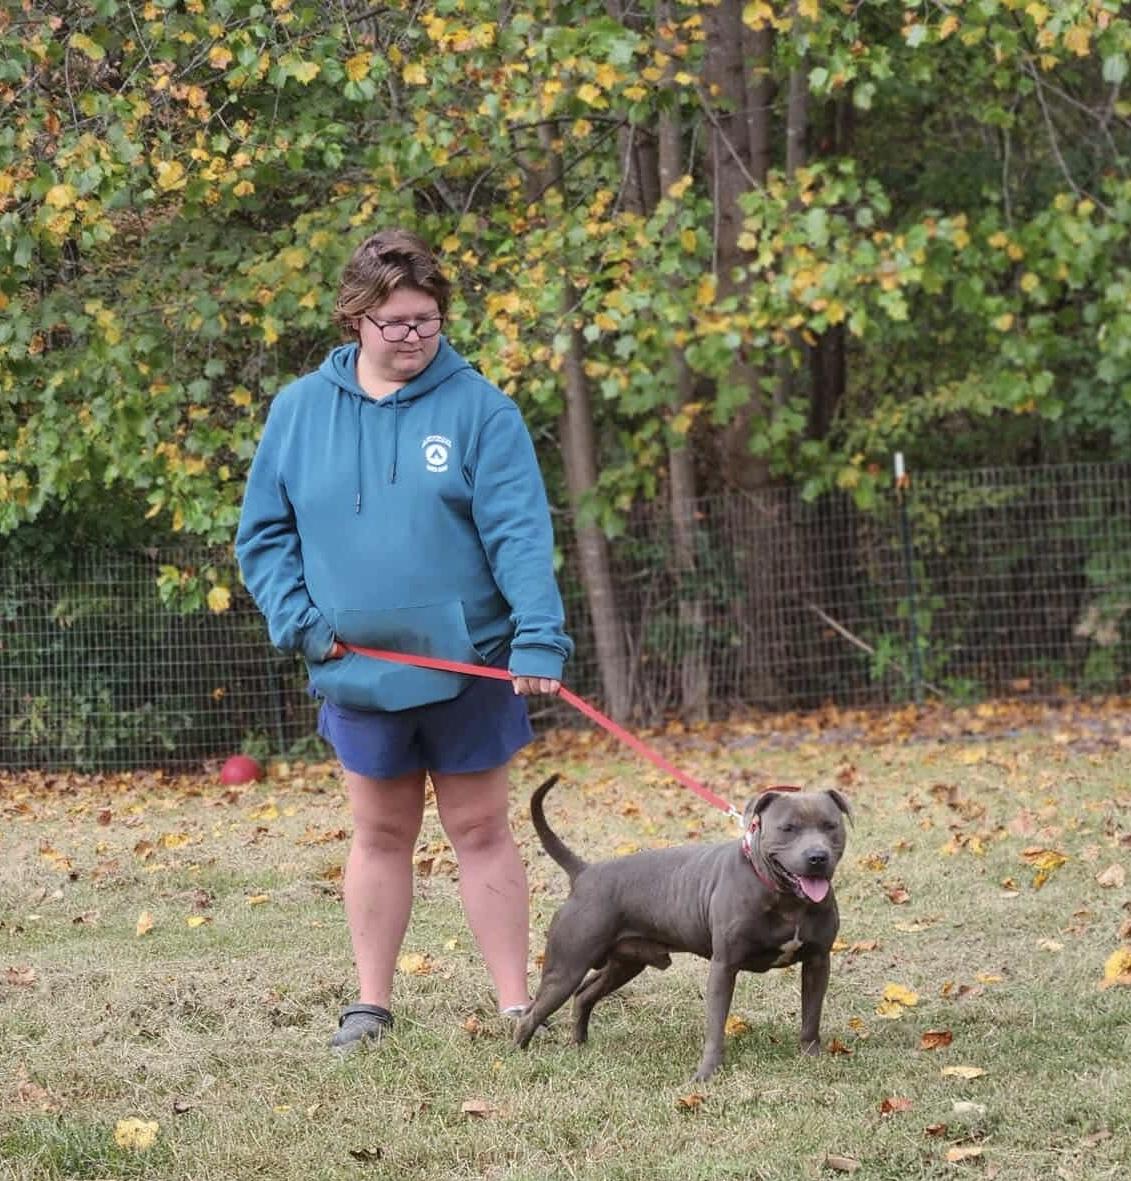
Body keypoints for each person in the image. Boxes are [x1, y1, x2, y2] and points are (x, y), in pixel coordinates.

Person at [235, 228, 572, 1050]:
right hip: (354, 666)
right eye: (397, 322)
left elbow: (519, 534)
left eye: (427, 319)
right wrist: (304, 626)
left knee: (482, 828)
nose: (415, 335)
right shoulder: (298, 412)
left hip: (471, 663)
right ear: (357, 319)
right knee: (380, 832)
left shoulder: (481, 410)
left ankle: (512, 1005)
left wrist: (538, 638)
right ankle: (371, 1004)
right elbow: (264, 537)